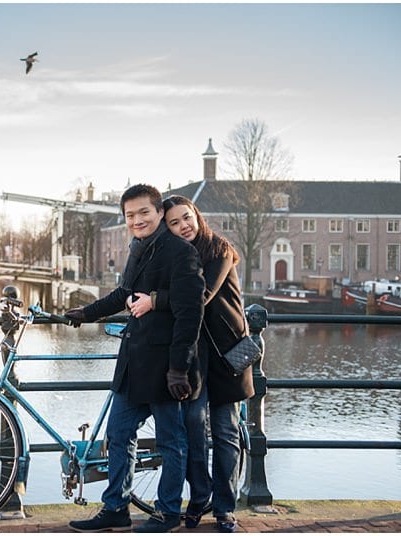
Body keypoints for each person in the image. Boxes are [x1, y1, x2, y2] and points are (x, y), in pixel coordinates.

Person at [65, 184, 205, 533]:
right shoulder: (138, 248)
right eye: (130, 215)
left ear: (159, 212)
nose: (137, 220)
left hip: (165, 366)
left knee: (171, 442)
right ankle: (116, 508)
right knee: (118, 434)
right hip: (134, 362)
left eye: (144, 212)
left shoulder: (181, 252)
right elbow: (124, 294)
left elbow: (190, 314)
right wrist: (87, 312)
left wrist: (178, 369)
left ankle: (167, 513)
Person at [128, 195, 254, 533]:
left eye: (187, 217)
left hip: (227, 356)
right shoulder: (173, 256)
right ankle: (199, 500)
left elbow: (202, 296)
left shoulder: (219, 250)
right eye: (174, 222)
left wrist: (155, 301)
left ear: (197, 216)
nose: (184, 226)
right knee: (193, 432)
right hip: (195, 357)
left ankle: (225, 509)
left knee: (226, 434)